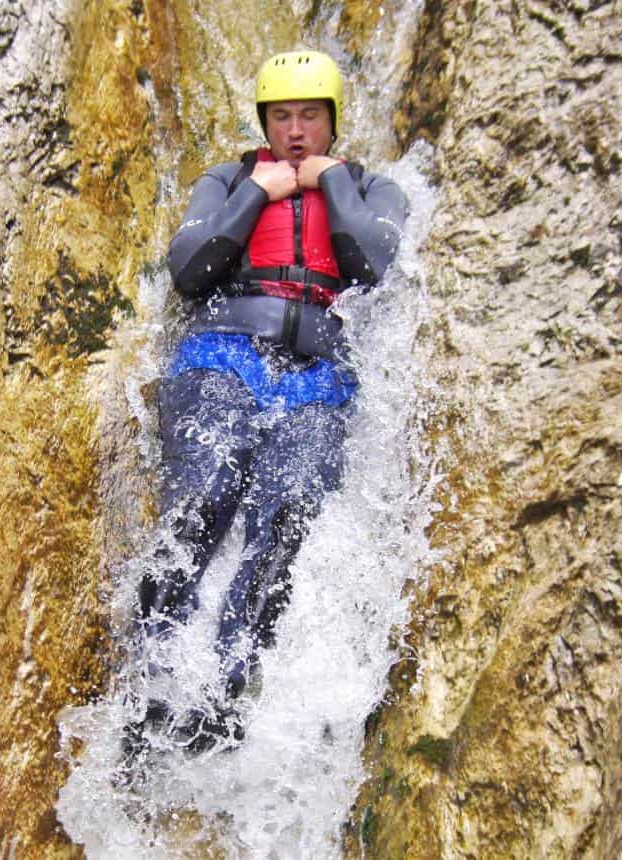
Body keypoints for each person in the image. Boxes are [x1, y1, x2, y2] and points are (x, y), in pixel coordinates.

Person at [128, 49, 409, 755]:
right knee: (202, 505)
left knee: (282, 527)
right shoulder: (225, 181)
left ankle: (226, 692)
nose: (294, 130)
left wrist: (332, 185)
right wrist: (257, 192)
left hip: (316, 375)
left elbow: (372, 264)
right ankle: (149, 684)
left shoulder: (374, 190)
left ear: (331, 123)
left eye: (309, 116)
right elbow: (190, 270)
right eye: (281, 116)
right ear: (263, 121)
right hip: (222, 355)